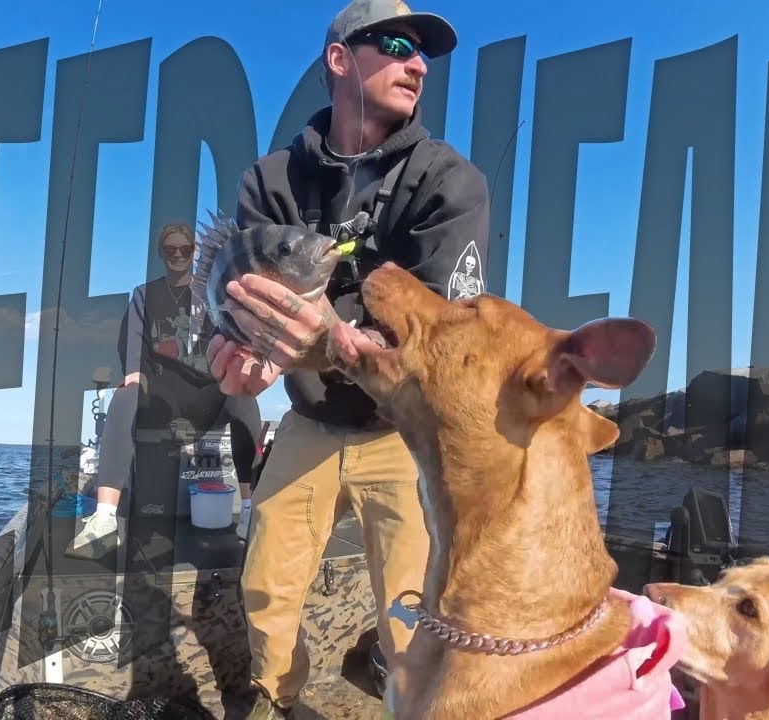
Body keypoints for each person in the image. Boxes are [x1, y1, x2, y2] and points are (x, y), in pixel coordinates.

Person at [205, 1, 490, 716]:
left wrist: (328, 339)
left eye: (424, 53)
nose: (418, 64)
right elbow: (241, 295)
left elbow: (442, 333)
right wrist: (236, 349)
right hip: (307, 420)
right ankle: (280, 701)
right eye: (397, 45)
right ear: (339, 61)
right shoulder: (268, 181)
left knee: (411, 609)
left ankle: (407, 702)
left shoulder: (448, 183)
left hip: (401, 428)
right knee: (266, 586)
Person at [66, 222, 261, 560]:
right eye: (170, 250)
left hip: (210, 393)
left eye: (185, 249)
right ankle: (105, 518)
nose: (178, 256)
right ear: (161, 254)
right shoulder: (144, 295)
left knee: (244, 395)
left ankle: (248, 510)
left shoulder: (218, 293)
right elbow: (132, 348)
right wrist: (134, 376)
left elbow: (240, 337)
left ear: (194, 253)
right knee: (124, 394)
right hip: (164, 397)